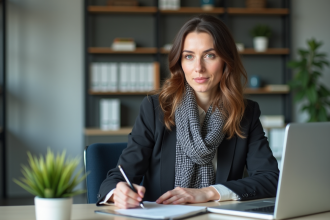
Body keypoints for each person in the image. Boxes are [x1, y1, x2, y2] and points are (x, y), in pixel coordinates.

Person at [97, 14, 279, 209]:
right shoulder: (155, 109)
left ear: (226, 60)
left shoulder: (245, 113)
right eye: (189, 56)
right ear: (180, 63)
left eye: (210, 55)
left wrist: (208, 192)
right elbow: (115, 178)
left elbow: (270, 180)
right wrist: (118, 193)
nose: (198, 68)